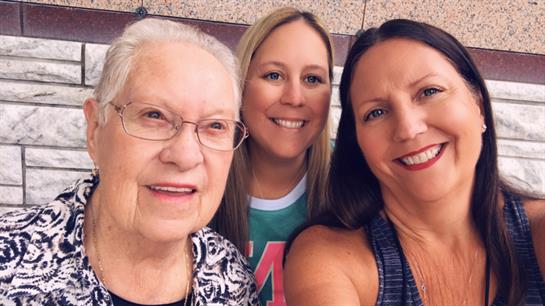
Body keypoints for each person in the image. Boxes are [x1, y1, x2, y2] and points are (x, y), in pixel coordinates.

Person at [284, 19, 545, 306]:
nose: (408, 129)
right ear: (358, 143)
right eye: (377, 112)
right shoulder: (330, 259)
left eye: (429, 92)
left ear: (479, 106)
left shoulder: (537, 233)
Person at [0, 18, 259, 305]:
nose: (185, 156)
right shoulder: (9, 263)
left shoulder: (233, 281)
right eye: (154, 116)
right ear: (96, 130)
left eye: (215, 126)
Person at [211, 7, 334, 306]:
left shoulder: (353, 182)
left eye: (313, 79)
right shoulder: (200, 175)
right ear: (240, 86)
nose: (294, 97)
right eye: (274, 75)